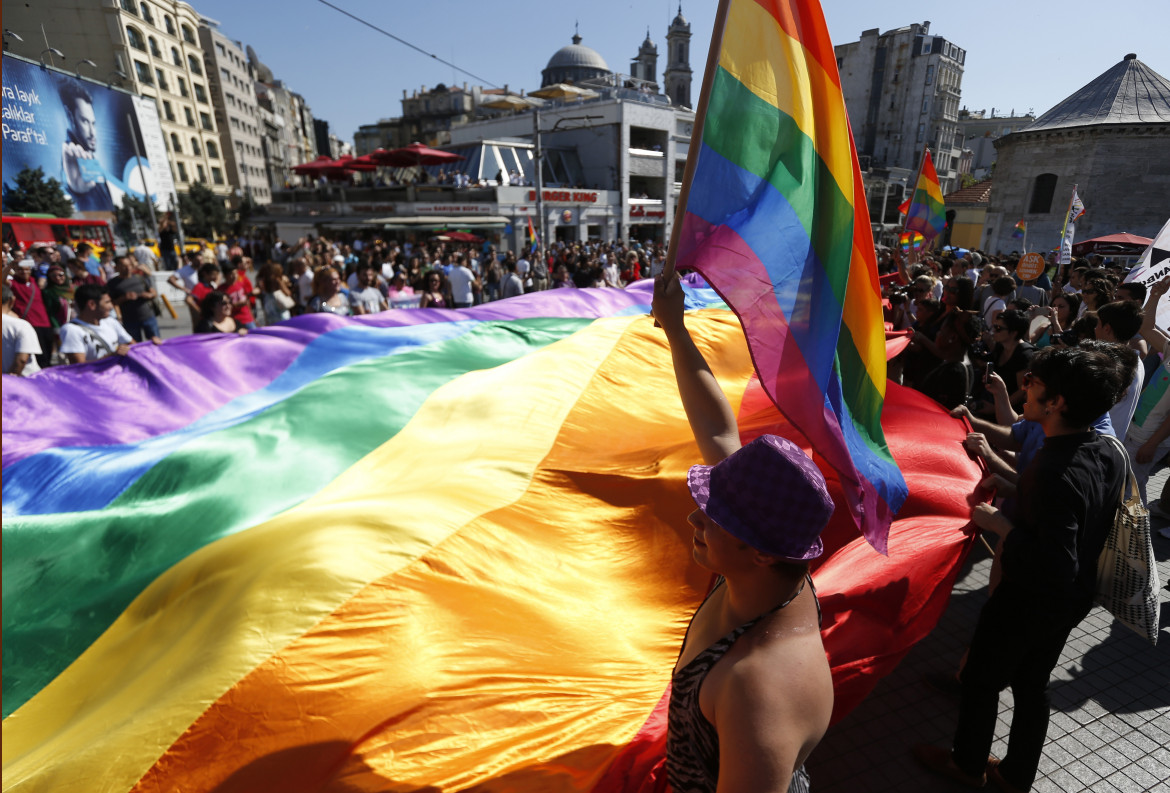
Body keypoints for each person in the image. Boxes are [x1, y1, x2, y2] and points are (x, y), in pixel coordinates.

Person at [915, 346, 1126, 793]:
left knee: (978, 679)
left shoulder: (1054, 467)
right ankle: (1015, 776)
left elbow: (1053, 560)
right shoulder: (1102, 448)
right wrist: (1011, 484)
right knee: (1032, 684)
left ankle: (968, 765)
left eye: (1034, 380)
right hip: (1072, 602)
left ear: (1058, 402)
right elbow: (1072, 515)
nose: (1024, 383)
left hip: (1030, 599)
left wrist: (1001, 524)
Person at [653, 270, 834, 793]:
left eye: (713, 514)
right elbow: (717, 429)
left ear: (758, 553)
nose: (694, 517)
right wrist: (674, 326)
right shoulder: (775, 555)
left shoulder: (758, 688)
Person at [59, 82, 114, 211]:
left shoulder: (88, 157)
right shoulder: (70, 160)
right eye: (84, 121)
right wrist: (78, 193)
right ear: (70, 116)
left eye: (93, 123)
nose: (92, 132)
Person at [59, 284, 139, 362]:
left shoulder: (111, 322)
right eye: (107, 302)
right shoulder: (71, 330)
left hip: (117, 374)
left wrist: (150, 344)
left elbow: (135, 347)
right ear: (92, 304)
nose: (111, 306)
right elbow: (79, 367)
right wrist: (111, 357)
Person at [7, 258, 54, 369]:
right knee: (39, 359)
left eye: (27, 269)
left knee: (48, 356)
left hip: (45, 324)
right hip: (30, 324)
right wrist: (9, 266)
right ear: (16, 271)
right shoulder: (13, 283)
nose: (24, 272)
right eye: (20, 270)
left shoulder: (34, 281)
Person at [107, 256, 161, 342]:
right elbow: (111, 302)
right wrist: (124, 298)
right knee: (135, 346)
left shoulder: (139, 278)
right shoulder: (112, 283)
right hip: (129, 320)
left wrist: (148, 295)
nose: (128, 268)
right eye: (124, 266)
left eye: (130, 265)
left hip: (148, 316)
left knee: (156, 342)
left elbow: (153, 293)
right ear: (117, 267)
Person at [2, 283, 42, 376]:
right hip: (25, 382)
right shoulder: (21, 325)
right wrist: (9, 382)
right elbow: (21, 360)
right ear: (12, 300)